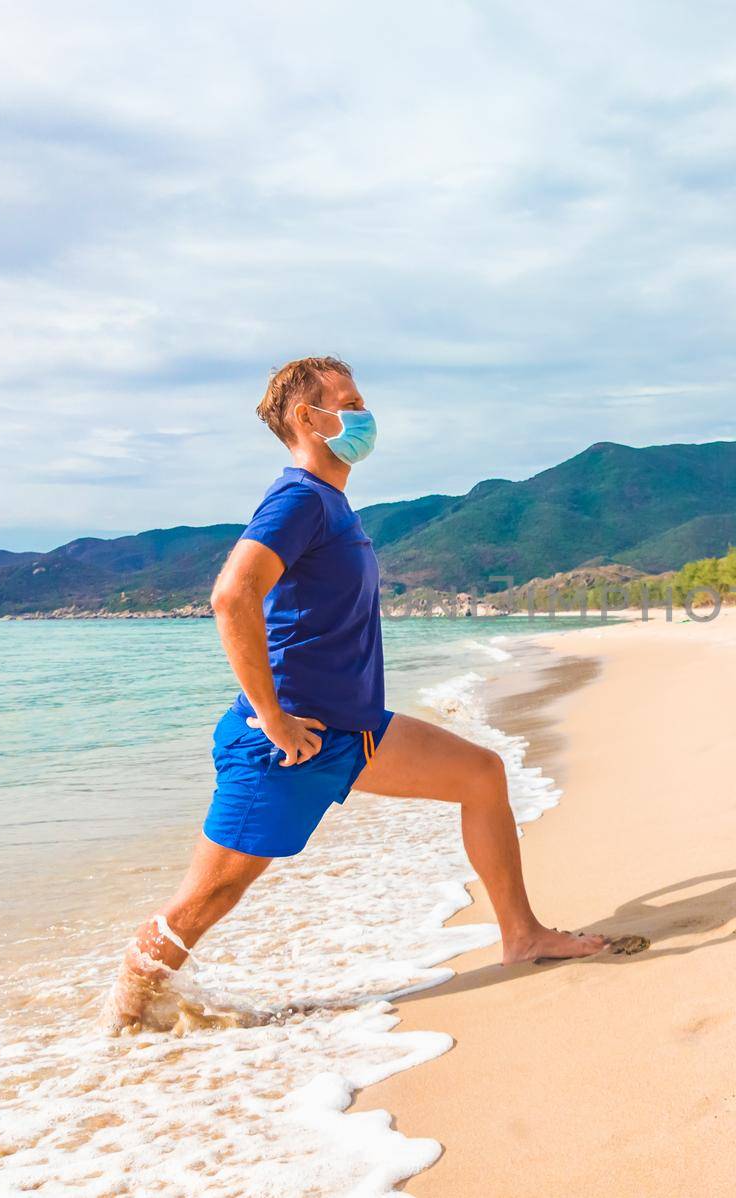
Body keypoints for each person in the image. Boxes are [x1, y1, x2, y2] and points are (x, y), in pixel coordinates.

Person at [108, 356, 604, 1030]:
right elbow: (232, 596)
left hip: (357, 732)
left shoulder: (331, 502)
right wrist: (272, 718)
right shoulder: (299, 499)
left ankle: (522, 937)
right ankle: (122, 1029)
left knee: (482, 776)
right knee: (203, 902)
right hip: (288, 747)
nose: (367, 415)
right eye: (352, 400)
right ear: (310, 418)